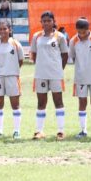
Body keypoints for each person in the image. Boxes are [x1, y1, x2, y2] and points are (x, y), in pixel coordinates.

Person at [30, 11, 69, 140]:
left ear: (53, 22)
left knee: (58, 101)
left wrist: (59, 69)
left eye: (49, 20)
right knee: (41, 102)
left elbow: (65, 55)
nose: (46, 23)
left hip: (55, 75)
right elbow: (34, 54)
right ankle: (39, 131)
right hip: (40, 74)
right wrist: (41, 66)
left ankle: (61, 131)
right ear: (41, 23)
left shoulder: (60, 36)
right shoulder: (36, 36)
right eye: (44, 21)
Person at [68, 18, 91, 139]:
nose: (82, 34)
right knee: (82, 102)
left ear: (88, 29)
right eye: (79, 32)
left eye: (84, 32)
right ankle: (83, 130)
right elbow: (73, 57)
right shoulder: (73, 41)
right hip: (80, 77)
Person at [0, 20, 24, 139]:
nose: (2, 31)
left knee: (15, 105)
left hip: (12, 77)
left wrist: (11, 70)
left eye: (5, 29)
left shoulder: (16, 44)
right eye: (0, 29)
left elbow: (20, 61)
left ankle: (16, 131)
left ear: (10, 30)